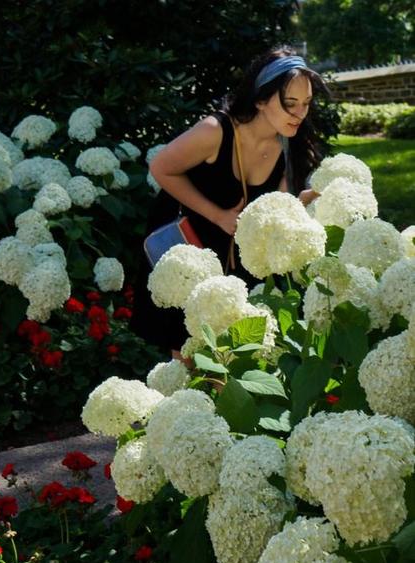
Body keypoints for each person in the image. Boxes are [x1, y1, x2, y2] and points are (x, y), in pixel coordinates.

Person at [130, 45, 330, 356]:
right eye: (290, 103)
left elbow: (274, 207)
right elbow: (160, 169)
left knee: (235, 357)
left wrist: (299, 204)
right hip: (189, 250)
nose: (300, 114)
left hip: (238, 260)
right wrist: (218, 216)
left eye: (306, 103)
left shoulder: (288, 145)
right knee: (189, 356)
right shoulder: (215, 131)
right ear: (261, 98)